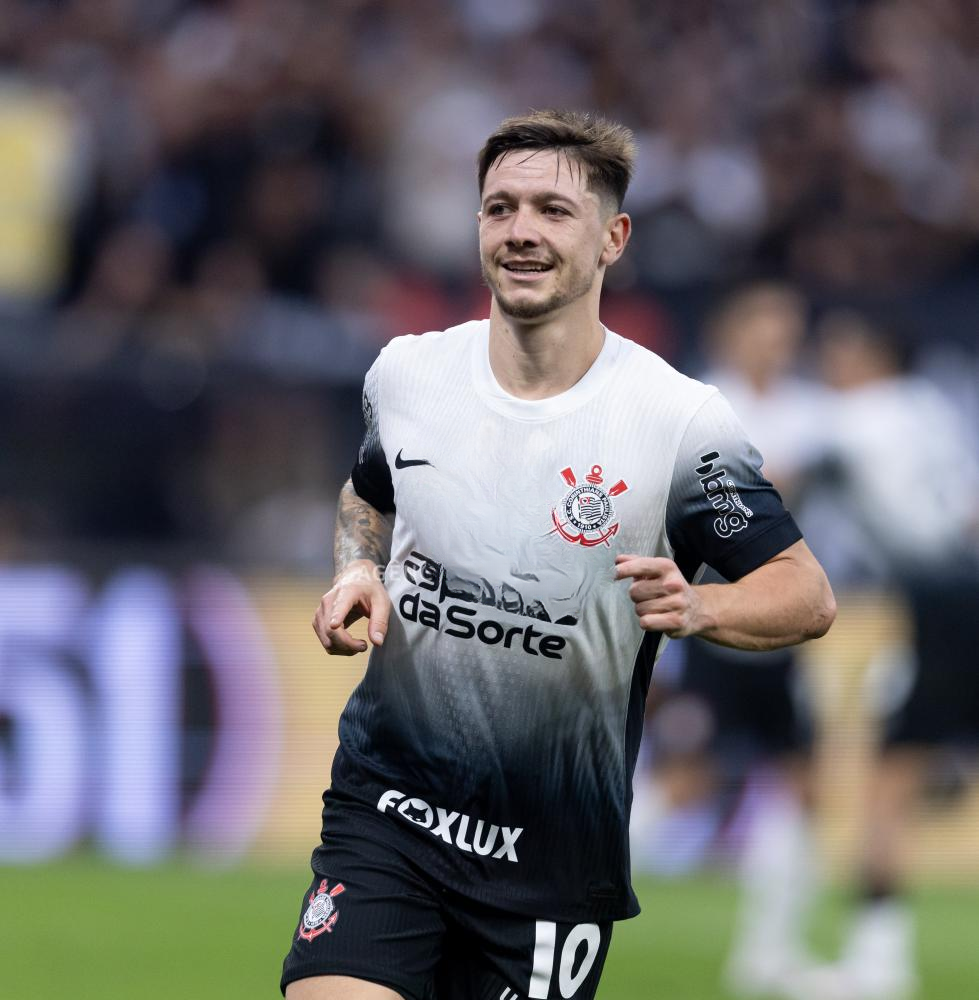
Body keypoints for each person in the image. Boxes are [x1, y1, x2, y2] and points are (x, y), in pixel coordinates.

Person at [280, 110, 837, 1000]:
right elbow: (368, 494)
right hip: (386, 815)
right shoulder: (408, 374)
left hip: (548, 859)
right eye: (499, 208)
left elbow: (804, 593)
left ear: (613, 237)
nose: (521, 232)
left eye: (551, 210)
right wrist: (356, 567)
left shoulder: (678, 423)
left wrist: (700, 607)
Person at [637, 283, 833, 996]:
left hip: (777, 625)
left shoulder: (808, 408)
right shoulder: (702, 402)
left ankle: (767, 950)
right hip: (712, 618)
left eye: (788, 327)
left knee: (800, 784)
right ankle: (543, 889)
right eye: (767, 325)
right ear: (735, 329)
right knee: (687, 781)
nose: (778, 341)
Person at [786, 311, 979, 1000]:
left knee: (885, 787)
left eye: (838, 348)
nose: (827, 361)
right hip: (963, 581)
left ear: (871, 355)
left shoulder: (856, 415)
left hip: (939, 604)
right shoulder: (930, 407)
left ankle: (878, 964)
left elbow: (775, 479)